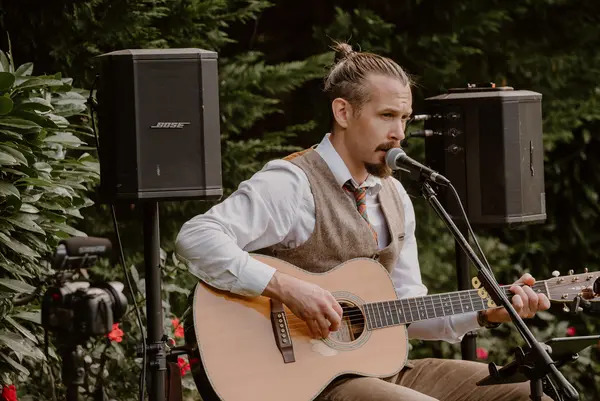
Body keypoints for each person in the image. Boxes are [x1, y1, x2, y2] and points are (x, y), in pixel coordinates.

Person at [175, 42, 552, 401]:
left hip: (383, 371)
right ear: (343, 112)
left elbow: (408, 309)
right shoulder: (292, 183)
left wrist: (485, 313)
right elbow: (197, 237)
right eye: (386, 116)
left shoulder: (395, 196)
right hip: (307, 384)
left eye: (404, 118)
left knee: (525, 393)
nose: (399, 133)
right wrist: (288, 289)